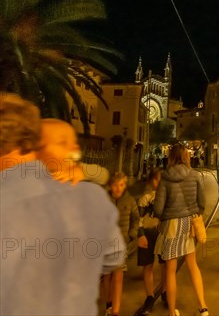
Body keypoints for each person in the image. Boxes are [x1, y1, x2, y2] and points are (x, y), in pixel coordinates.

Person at [0, 93, 125, 316]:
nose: (73, 151)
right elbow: (114, 255)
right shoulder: (91, 196)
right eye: (62, 143)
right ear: (35, 147)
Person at [153, 144, 208, 316]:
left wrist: (160, 215)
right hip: (189, 223)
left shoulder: (165, 177)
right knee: (193, 265)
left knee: (170, 269)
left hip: (172, 224)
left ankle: (171, 311)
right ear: (186, 157)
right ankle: (203, 307)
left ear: (171, 157)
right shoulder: (196, 175)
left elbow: (158, 209)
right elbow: (202, 203)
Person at [102, 172, 139, 316]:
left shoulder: (129, 200)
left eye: (121, 185)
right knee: (107, 276)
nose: (118, 188)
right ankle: (108, 304)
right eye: (116, 185)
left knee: (118, 276)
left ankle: (115, 312)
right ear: (111, 186)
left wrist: (133, 233)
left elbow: (136, 218)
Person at [38, 118, 110, 185]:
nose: (75, 147)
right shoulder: (33, 172)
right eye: (62, 142)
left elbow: (104, 174)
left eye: (74, 142)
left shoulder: (74, 167)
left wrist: (81, 172)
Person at [137, 168, 167, 315]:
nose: (159, 183)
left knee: (165, 264)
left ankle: (165, 290)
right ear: (150, 181)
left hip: (162, 234)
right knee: (147, 266)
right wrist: (140, 234)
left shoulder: (167, 197)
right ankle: (150, 296)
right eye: (156, 179)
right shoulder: (144, 198)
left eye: (161, 180)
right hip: (147, 234)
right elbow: (138, 220)